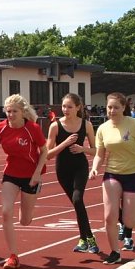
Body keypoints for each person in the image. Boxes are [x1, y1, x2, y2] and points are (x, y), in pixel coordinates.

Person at [89, 92, 135, 265]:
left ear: (124, 107)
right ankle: (115, 252)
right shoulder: (103, 128)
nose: (112, 111)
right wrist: (95, 168)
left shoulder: (134, 124)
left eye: (116, 107)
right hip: (112, 173)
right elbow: (99, 154)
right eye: (109, 107)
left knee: (128, 220)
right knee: (109, 217)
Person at [0, 94, 48, 269]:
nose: (11, 114)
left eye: (14, 111)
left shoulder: (32, 128)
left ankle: (30, 200)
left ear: (22, 112)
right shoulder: (0, 128)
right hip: (11, 174)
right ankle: (13, 256)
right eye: (8, 111)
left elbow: (44, 151)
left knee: (25, 221)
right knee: (6, 212)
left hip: (31, 176)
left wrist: (37, 174)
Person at [46, 93, 99, 254]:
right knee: (77, 204)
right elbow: (48, 154)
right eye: (63, 106)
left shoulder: (86, 125)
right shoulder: (55, 126)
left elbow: (96, 150)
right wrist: (65, 143)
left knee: (77, 199)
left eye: (69, 106)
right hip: (62, 169)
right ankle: (85, 239)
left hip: (79, 167)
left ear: (78, 107)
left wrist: (82, 149)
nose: (66, 109)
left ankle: (88, 238)